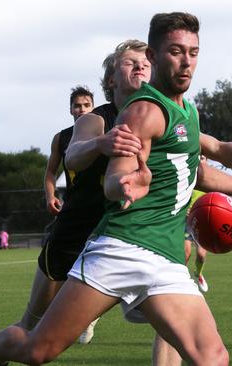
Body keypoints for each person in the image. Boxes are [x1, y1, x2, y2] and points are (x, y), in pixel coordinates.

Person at [0, 12, 232, 366]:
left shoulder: (187, 112)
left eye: (193, 52)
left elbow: (196, 170)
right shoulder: (139, 113)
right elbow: (112, 179)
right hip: (121, 248)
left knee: (212, 357)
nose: (186, 62)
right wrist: (127, 184)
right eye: (175, 51)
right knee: (37, 350)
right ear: (154, 56)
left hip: (165, 258)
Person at [11, 40, 148, 346]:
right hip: (75, 228)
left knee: (178, 322)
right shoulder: (93, 122)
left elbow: (200, 149)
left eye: (146, 62)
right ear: (111, 79)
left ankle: (91, 312)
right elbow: (71, 158)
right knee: (32, 330)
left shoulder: (162, 116)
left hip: (125, 236)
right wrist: (100, 144)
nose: (141, 66)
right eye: (130, 62)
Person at [43, 85, 94, 217]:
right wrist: (50, 196)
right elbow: (50, 172)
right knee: (55, 238)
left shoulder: (104, 133)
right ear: (71, 110)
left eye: (87, 105)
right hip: (73, 203)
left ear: (93, 108)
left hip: (101, 203)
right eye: (77, 106)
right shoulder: (61, 138)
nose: (82, 109)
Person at [185, 189, 209, 292]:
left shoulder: (209, 188)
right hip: (186, 222)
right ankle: (180, 278)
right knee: (186, 254)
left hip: (201, 223)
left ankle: (198, 274)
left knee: (201, 255)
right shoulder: (189, 182)